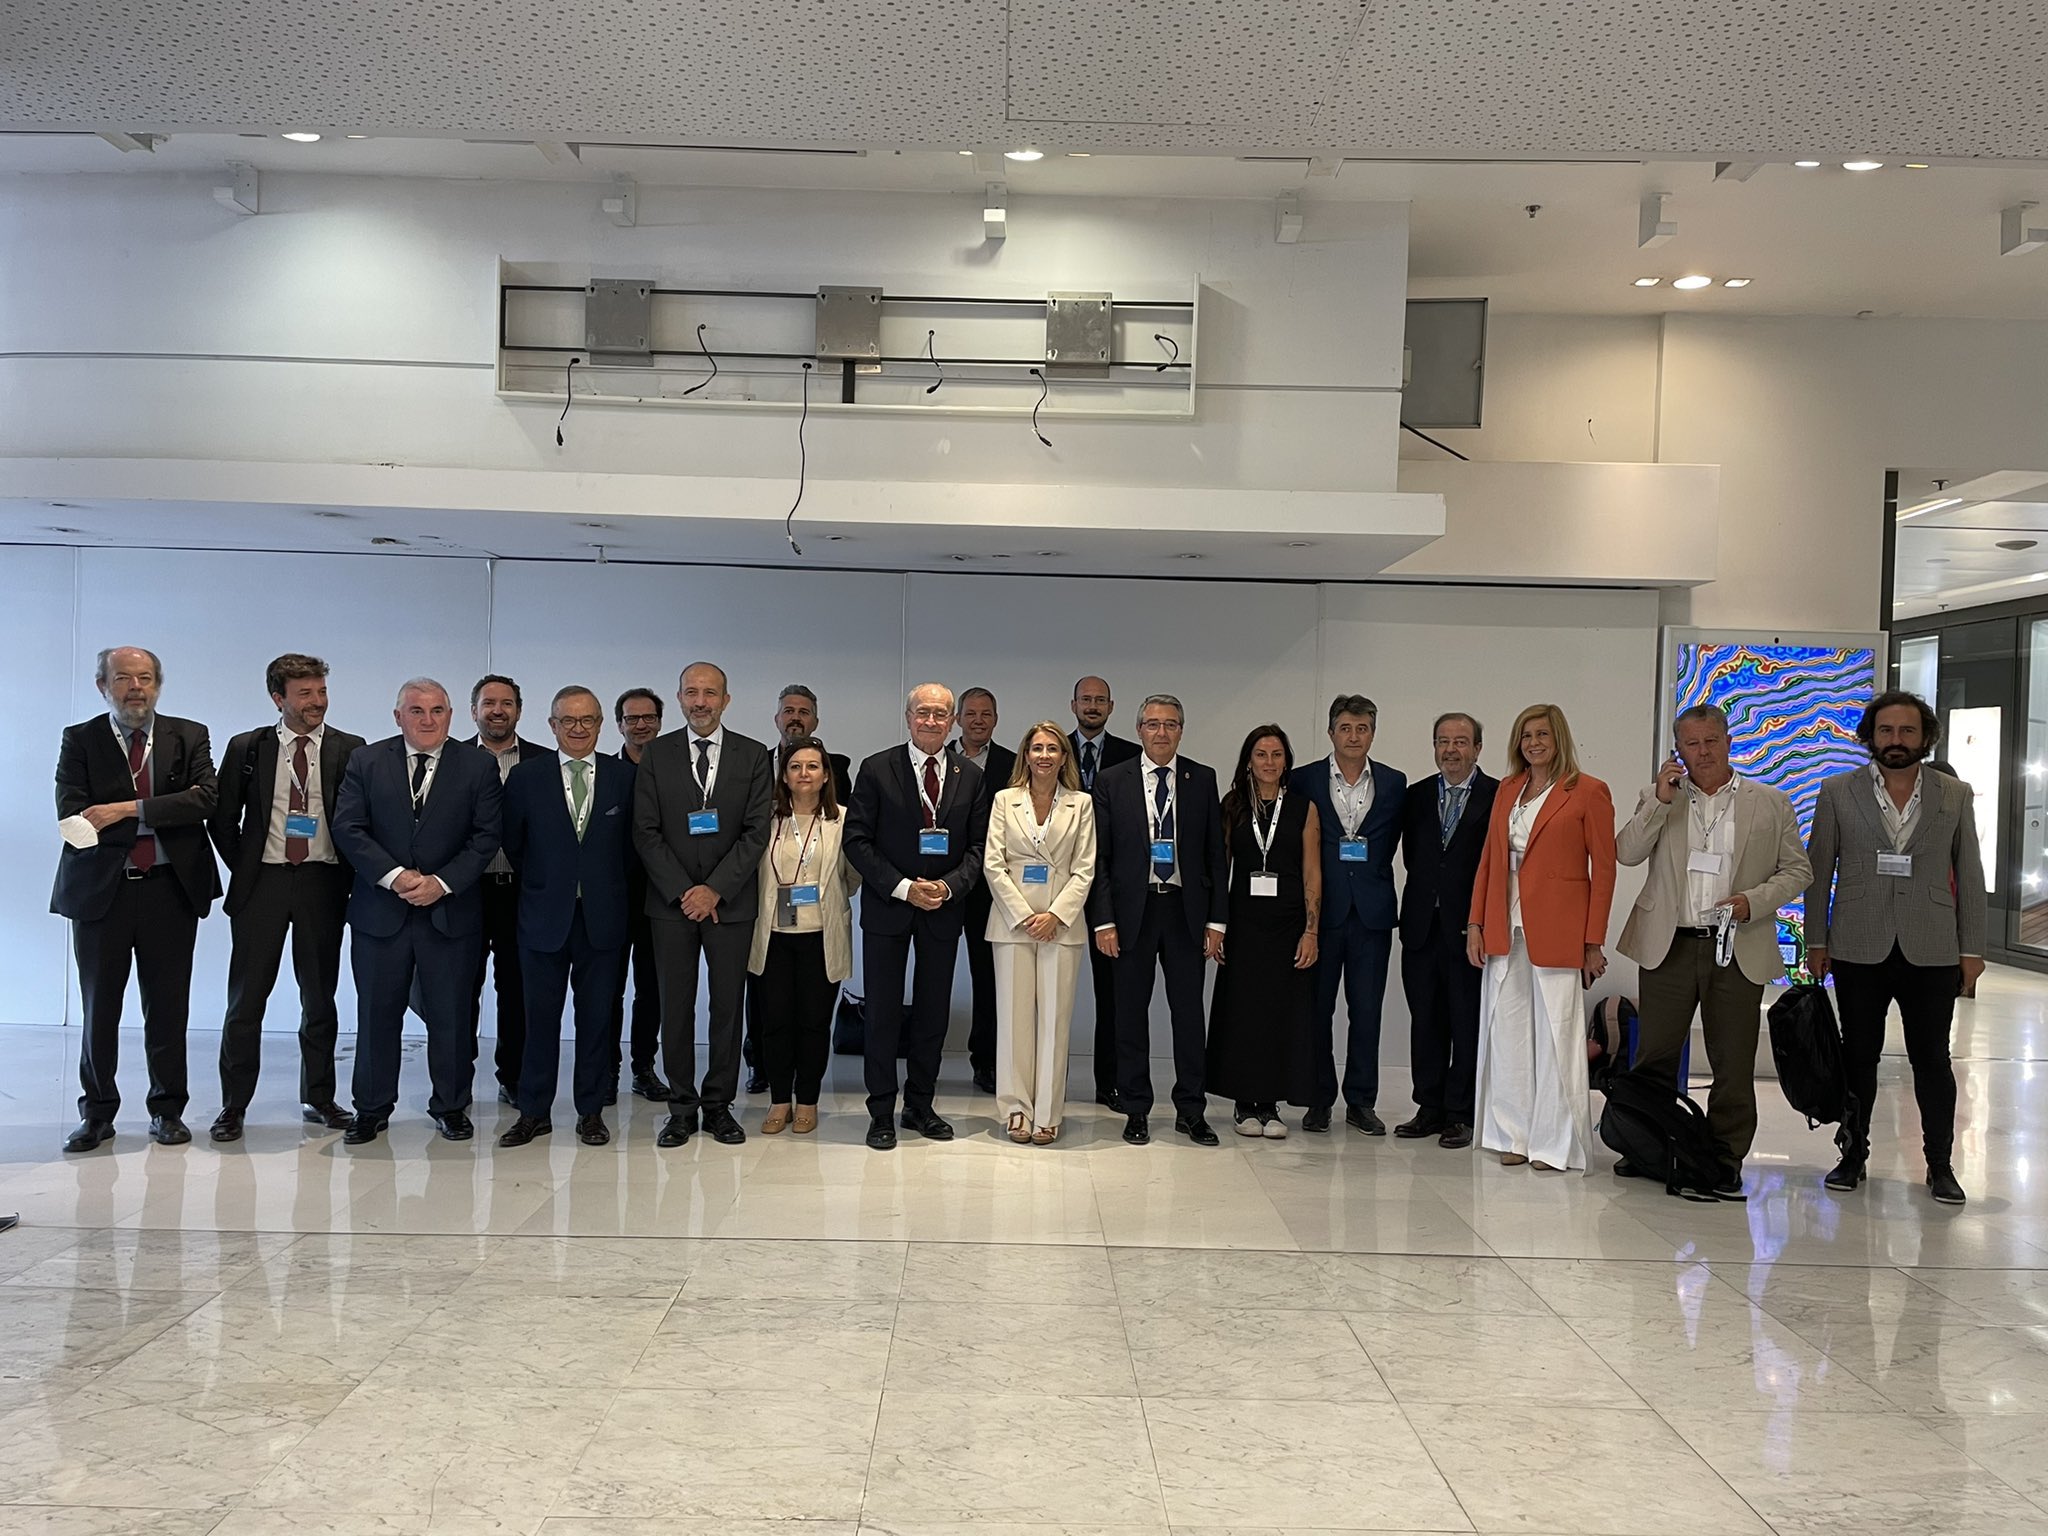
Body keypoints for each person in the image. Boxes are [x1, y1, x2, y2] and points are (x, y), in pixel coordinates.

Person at [1617, 704, 1811, 1198]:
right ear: (1678, 750)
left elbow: (1798, 870)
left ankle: (1725, 1157)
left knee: (1733, 1059)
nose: (1702, 752)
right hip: (1670, 944)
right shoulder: (1660, 797)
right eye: (1691, 744)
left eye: (1710, 741)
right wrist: (1659, 801)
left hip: (1736, 945)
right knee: (1655, 1054)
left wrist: (1753, 902)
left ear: (1728, 741)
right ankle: (1648, 1146)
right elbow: (1627, 852)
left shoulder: (1769, 802)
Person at [1805, 690, 1984, 1206]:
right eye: (1886, 730)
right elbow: (1819, 870)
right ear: (1871, 736)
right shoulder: (1837, 791)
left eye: (1907, 730)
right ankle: (1852, 1155)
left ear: (1925, 737)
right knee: (1858, 1056)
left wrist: (1972, 948)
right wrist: (1816, 939)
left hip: (1933, 946)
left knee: (1932, 1059)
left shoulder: (1955, 794)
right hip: (1858, 943)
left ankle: (1940, 1165)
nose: (1896, 740)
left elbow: (1970, 873)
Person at [52, 646, 220, 1152]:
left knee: (168, 1006)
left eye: (145, 678)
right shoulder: (80, 739)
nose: (135, 688)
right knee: (99, 1008)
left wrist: (126, 809)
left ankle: (167, 1110)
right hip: (103, 892)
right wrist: (160, 809)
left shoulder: (188, 734)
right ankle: (97, 1113)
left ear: (158, 685)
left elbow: (205, 799)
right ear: (103, 686)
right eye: (123, 678)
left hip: (171, 889)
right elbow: (74, 813)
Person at [333, 677, 502, 1144]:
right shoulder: (366, 761)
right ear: (398, 716)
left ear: (451, 715)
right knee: (376, 1015)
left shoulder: (478, 766)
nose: (428, 720)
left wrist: (440, 883)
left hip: (449, 914)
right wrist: (395, 877)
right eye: (416, 711)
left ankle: (451, 1106)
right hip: (380, 914)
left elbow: (486, 836)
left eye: (437, 711)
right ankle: (371, 1108)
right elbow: (349, 827)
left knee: (451, 1015)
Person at [206, 653, 365, 1142]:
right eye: (305, 693)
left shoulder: (350, 748)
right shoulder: (247, 747)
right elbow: (222, 818)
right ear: (278, 698)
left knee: (319, 996)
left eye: (321, 691)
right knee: (246, 999)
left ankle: (319, 1097)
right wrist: (247, 867)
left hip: (323, 882)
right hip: (264, 884)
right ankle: (233, 1105)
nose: (317, 701)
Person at [1466, 704, 1616, 1172]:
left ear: (1559, 738)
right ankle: (1513, 1134)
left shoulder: (1588, 791)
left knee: (1556, 1035)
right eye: (1526, 735)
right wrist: (1475, 924)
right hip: (1503, 923)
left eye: (1542, 735)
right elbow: (1489, 861)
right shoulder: (1508, 789)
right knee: (1506, 1031)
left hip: (1558, 928)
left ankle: (1554, 1144)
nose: (1533, 743)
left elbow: (1604, 872)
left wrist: (1593, 941)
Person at [633, 661, 775, 1148]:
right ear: (679, 699)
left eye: (709, 693)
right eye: (691, 692)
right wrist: (684, 891)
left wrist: (714, 889)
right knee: (675, 1006)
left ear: (725, 700)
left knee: (726, 1008)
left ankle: (718, 1106)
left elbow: (756, 832)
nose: (700, 702)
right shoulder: (656, 753)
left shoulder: (753, 755)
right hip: (670, 906)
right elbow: (645, 831)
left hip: (730, 904)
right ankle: (681, 1107)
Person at [845, 683, 991, 1150]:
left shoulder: (970, 775)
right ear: (908, 717)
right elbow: (856, 840)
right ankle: (881, 1111)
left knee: (932, 1013)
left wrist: (947, 888)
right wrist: (905, 887)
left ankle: (920, 1106)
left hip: (942, 910)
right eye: (922, 712)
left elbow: (980, 847)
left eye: (940, 714)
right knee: (882, 1013)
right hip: (889, 906)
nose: (931, 721)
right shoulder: (876, 768)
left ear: (952, 722)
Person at [496, 687, 637, 1148]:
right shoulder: (526, 777)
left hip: (603, 918)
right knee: (538, 1020)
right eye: (568, 720)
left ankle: (591, 1111)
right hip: (542, 917)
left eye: (587, 720)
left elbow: (631, 849)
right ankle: (533, 1111)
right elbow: (515, 843)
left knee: (597, 1020)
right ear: (552, 725)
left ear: (601, 724)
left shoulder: (624, 777)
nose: (578, 729)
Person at [1088, 693, 1228, 1146]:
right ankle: (1136, 1108)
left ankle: (1191, 1109)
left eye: (1170, 724)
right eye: (1152, 724)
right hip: (1133, 912)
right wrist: (1103, 921)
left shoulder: (1201, 778)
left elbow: (1215, 853)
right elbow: (1100, 858)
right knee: (1130, 1014)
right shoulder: (1112, 780)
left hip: (1185, 911)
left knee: (1188, 1015)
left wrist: (1217, 922)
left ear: (1181, 731)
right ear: (1139, 730)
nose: (1161, 732)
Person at [1292, 694, 1407, 1135]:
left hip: (1372, 914)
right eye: (1345, 728)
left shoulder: (1394, 782)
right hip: (1321, 914)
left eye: (1362, 729)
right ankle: (1318, 1099)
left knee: (1367, 1011)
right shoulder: (1304, 779)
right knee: (1316, 1011)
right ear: (1330, 732)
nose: (1354, 736)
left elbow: (1394, 842)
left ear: (1373, 733)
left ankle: (1361, 1101)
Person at [983, 722, 1097, 1143]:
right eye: (1037, 748)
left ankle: (1048, 1112)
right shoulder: (1004, 800)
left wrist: (1055, 916)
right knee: (1014, 1022)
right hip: (1012, 923)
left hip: (1060, 926)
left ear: (1064, 757)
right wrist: (1023, 915)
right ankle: (1016, 1109)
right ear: (1025, 755)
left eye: (1053, 748)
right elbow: (993, 863)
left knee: (1054, 1021)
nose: (1044, 755)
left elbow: (1085, 868)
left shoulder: (1081, 804)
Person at [1206, 725, 1320, 1138]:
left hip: (1288, 925)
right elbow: (1219, 869)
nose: (1269, 762)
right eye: (1261, 754)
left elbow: (1312, 871)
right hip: (1243, 923)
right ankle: (1244, 1102)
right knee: (1243, 1011)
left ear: (1286, 761)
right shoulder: (1233, 805)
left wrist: (1311, 931)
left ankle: (1270, 1104)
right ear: (1248, 762)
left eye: (1276, 754)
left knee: (1280, 1012)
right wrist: (1216, 926)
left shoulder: (1304, 808)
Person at [746, 736, 860, 1134]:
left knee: (814, 1023)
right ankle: (780, 1100)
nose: (804, 773)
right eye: (795, 766)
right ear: (784, 775)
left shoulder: (843, 819)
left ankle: (808, 1100)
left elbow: (852, 876)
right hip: (774, 935)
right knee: (775, 1023)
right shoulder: (765, 818)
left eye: (813, 766)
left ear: (826, 775)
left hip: (820, 935)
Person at [1394, 713, 1496, 1150]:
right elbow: (1414, 857)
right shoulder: (1415, 795)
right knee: (1426, 1020)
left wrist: (1480, 921)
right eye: (1443, 741)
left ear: (1477, 748)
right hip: (1421, 926)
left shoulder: (1498, 795)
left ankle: (1460, 1113)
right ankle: (1429, 1107)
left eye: (1460, 741)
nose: (1451, 750)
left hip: (1469, 930)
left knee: (1465, 1021)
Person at [466, 675, 549, 1104]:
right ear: (473, 710)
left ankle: (512, 1076)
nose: (497, 710)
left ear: (519, 709)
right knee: (461, 989)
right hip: (465, 891)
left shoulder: (544, 762)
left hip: (522, 892)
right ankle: (457, 1080)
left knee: (517, 989)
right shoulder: (453, 759)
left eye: (506, 703)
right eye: (489, 703)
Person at [1070, 674, 1141, 1110]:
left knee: (1113, 991)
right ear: (1073, 705)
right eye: (1086, 699)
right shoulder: (1052, 751)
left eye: (1100, 700)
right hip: (1058, 884)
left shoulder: (1132, 756)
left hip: (1110, 884)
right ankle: (1041, 1081)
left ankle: (1109, 1082)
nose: (1092, 706)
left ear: (1111, 707)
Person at [607, 687, 671, 1104]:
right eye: (632, 718)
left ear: (660, 723)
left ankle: (644, 1068)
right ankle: (606, 1069)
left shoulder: (674, 772)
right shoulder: (605, 773)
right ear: (620, 725)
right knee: (608, 989)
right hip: (612, 898)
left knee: (652, 989)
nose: (641, 725)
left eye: (649, 718)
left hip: (660, 897)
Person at [954, 686, 1018, 1095]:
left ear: (996, 719)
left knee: (989, 978)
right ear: (957, 719)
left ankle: (987, 1060)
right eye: (971, 714)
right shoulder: (938, 759)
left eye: (986, 714)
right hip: (942, 883)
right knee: (934, 973)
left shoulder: (1012, 765)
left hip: (989, 887)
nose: (978, 721)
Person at [772, 684, 855, 801]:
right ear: (777, 720)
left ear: (815, 723)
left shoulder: (836, 766)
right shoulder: (759, 763)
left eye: (803, 712)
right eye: (789, 711)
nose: (795, 717)